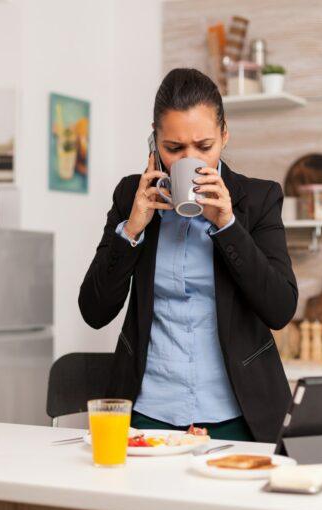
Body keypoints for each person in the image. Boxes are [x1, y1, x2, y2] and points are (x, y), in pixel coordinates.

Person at [78, 68, 297, 442]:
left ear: (225, 135)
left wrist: (228, 226)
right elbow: (94, 311)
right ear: (154, 140)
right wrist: (131, 229)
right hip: (148, 410)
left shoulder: (258, 199)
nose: (189, 160)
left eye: (204, 146)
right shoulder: (131, 195)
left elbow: (280, 309)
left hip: (238, 412)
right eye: (174, 148)